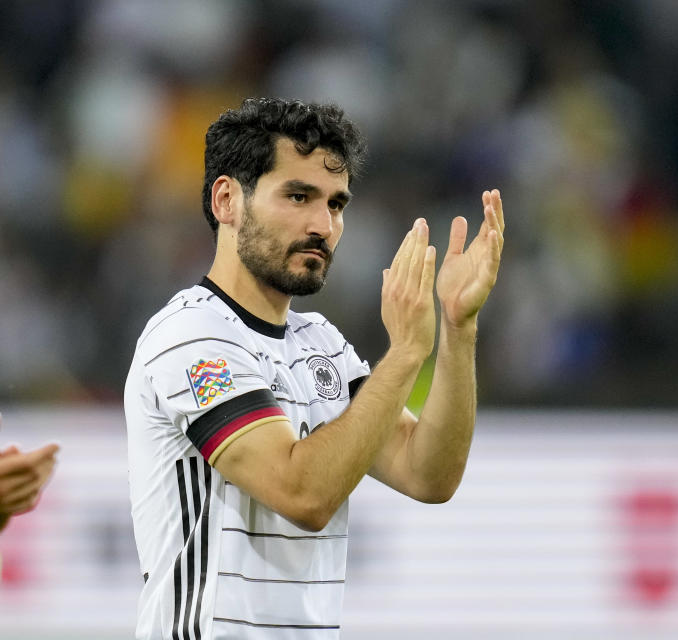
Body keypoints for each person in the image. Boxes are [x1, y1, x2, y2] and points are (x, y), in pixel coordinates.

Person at [124, 97, 504, 638]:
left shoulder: (319, 343)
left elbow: (429, 474)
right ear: (228, 200)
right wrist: (403, 354)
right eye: (298, 196)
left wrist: (457, 328)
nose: (322, 225)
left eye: (336, 204)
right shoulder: (190, 337)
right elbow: (303, 494)